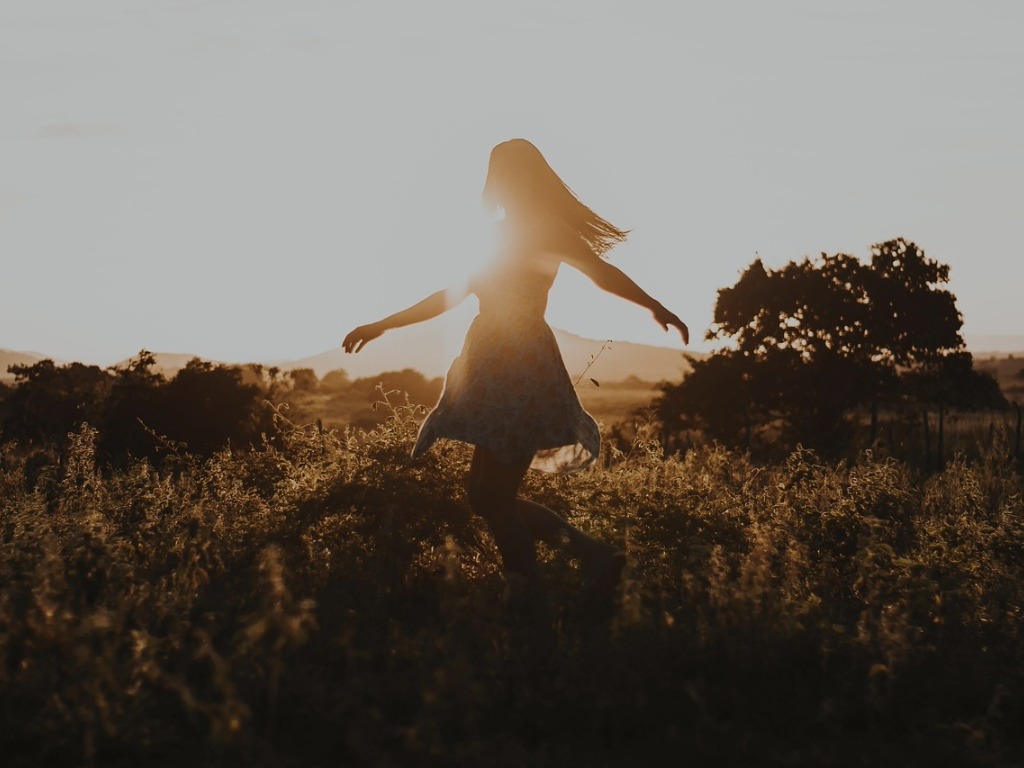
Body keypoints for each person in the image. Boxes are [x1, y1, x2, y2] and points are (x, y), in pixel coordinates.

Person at [343, 139, 688, 598]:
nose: (499, 185)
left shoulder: (547, 229)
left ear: (526, 179)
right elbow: (450, 294)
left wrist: (654, 305)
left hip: (522, 366)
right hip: (488, 367)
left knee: (495, 498)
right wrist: (383, 324)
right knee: (484, 497)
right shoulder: (496, 234)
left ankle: (532, 597)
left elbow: (600, 273)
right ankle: (589, 557)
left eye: (507, 176)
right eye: (497, 176)